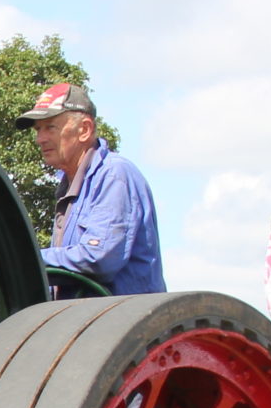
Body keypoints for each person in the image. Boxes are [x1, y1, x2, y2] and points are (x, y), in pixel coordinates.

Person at [15, 82, 163, 296]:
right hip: (85, 318)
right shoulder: (70, 183)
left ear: (84, 129)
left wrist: (22, 260)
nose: (40, 139)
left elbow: (99, 257)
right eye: (38, 129)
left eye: (50, 127)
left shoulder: (114, 175)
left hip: (118, 321)